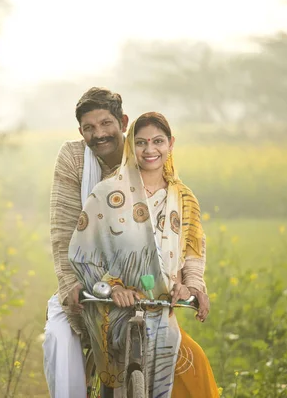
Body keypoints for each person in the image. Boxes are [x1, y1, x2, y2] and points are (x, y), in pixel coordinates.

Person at [67, 112, 219, 398]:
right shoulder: (107, 193)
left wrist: (193, 286)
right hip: (113, 311)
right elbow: (83, 254)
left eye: (158, 141)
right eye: (141, 142)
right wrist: (113, 286)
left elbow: (193, 251)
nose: (150, 150)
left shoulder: (183, 197)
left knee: (193, 366)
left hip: (160, 308)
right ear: (130, 147)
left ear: (171, 144)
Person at [43, 87, 129, 398]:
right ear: (81, 131)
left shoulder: (145, 154)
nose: (99, 134)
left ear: (124, 123)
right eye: (89, 128)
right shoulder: (74, 157)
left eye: (106, 123)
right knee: (59, 338)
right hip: (85, 278)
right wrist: (69, 284)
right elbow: (63, 228)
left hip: (140, 280)